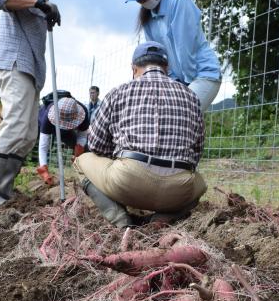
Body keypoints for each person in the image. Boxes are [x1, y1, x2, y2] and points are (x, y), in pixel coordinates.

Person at [0, 0, 92, 207]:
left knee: (28, 133)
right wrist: (37, 3)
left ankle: (1, 193)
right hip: (16, 60)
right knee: (16, 123)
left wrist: (45, 10)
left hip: (32, 68)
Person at [74, 41, 206, 228]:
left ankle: (119, 218)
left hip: (128, 182)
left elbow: (96, 145)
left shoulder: (119, 92)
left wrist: (118, 155)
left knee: (82, 161)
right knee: (201, 185)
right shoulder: (191, 96)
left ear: (134, 69)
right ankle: (162, 218)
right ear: (166, 68)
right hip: (177, 189)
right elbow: (197, 151)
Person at [125, 0, 221, 111]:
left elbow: (185, 50)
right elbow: (158, 57)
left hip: (202, 74)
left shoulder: (179, 0)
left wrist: (180, 89)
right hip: (178, 81)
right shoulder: (147, 17)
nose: (141, 2)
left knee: (177, 115)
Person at [36, 94, 89, 185]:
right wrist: (43, 167)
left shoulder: (83, 112)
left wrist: (79, 148)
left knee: (86, 149)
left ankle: (86, 177)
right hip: (46, 124)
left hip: (67, 133)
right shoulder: (47, 117)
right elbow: (43, 146)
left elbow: (83, 136)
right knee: (29, 141)